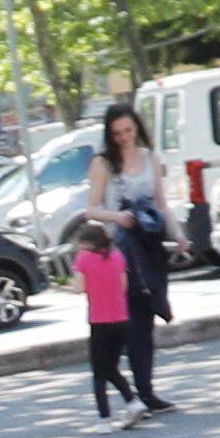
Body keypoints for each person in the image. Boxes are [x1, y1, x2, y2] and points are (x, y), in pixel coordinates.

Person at [68, 119, 173, 420]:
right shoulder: (103, 163)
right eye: (117, 134)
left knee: (146, 320)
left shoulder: (150, 158)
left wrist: (177, 236)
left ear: (137, 128)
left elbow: (162, 205)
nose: (124, 138)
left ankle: (145, 391)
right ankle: (137, 394)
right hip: (119, 252)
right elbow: (92, 209)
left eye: (129, 131)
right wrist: (117, 216)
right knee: (129, 324)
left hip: (149, 248)